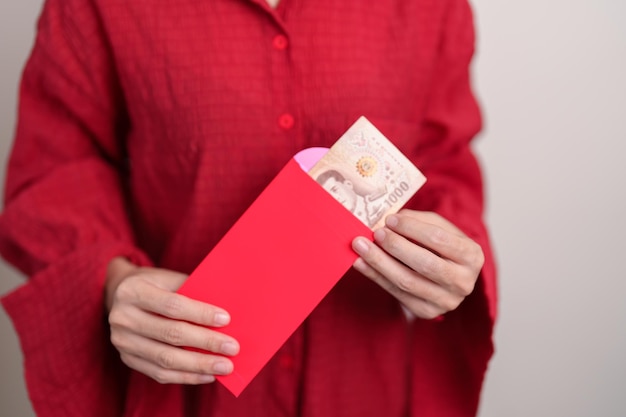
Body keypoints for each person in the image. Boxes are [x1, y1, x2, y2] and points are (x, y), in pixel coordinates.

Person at [0, 0, 497, 416]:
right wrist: (112, 280)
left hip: (363, 386)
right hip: (186, 391)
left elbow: (443, 158)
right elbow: (57, 170)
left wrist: (448, 258)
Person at [315, 169, 386, 228]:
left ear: (348, 184)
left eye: (335, 190)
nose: (335, 199)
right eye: (329, 199)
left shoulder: (380, 200)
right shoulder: (340, 228)